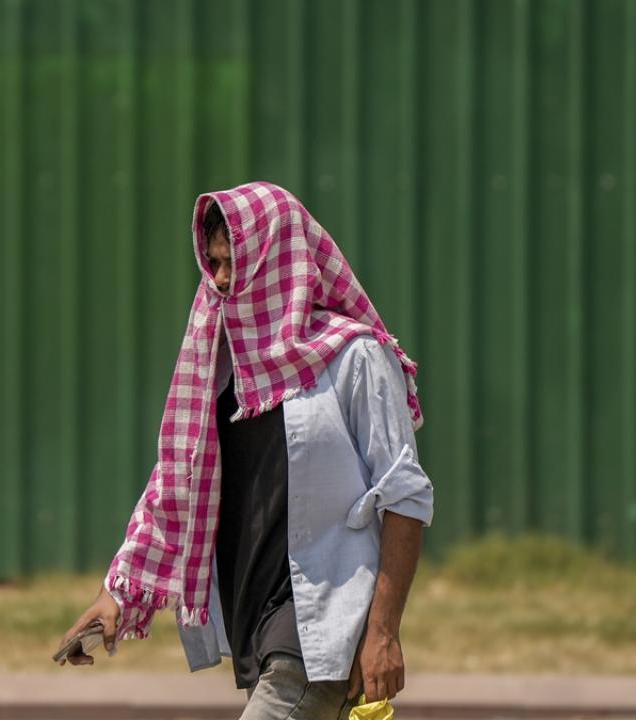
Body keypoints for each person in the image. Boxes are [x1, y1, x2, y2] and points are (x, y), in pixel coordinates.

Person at [59, 181, 433, 720]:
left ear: (283, 260)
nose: (223, 280)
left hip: (319, 626)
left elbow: (405, 499)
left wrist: (383, 634)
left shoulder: (354, 358)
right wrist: (116, 594)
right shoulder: (219, 368)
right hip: (253, 617)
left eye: (235, 262)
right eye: (213, 264)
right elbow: (175, 486)